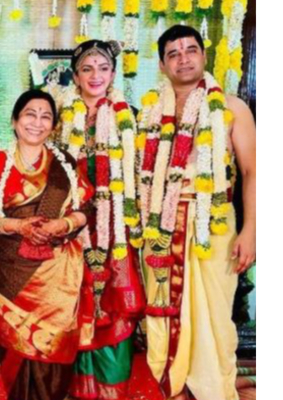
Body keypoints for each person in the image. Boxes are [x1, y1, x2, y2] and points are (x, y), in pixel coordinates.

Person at [137, 25, 256, 400]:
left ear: (204, 56)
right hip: (159, 228)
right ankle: (174, 388)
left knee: (213, 315)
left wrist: (252, 230)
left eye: (191, 50)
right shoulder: (149, 111)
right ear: (162, 64)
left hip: (213, 225)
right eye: (173, 53)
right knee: (161, 312)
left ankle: (213, 389)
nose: (183, 58)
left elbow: (253, 170)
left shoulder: (231, 107)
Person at [0, 89, 94, 400]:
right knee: (16, 349)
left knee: (56, 350)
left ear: (53, 126)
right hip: (9, 272)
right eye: (30, 114)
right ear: (14, 121)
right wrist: (18, 226)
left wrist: (63, 225)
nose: (37, 123)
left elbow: (86, 210)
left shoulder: (64, 163)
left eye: (45, 117)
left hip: (58, 277)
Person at [53, 40, 146, 400]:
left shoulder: (130, 117)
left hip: (116, 227)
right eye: (87, 69)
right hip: (72, 227)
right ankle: (77, 389)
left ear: (113, 73)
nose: (96, 76)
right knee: (72, 303)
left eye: (103, 68)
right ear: (75, 76)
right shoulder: (58, 117)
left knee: (116, 303)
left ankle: (110, 390)